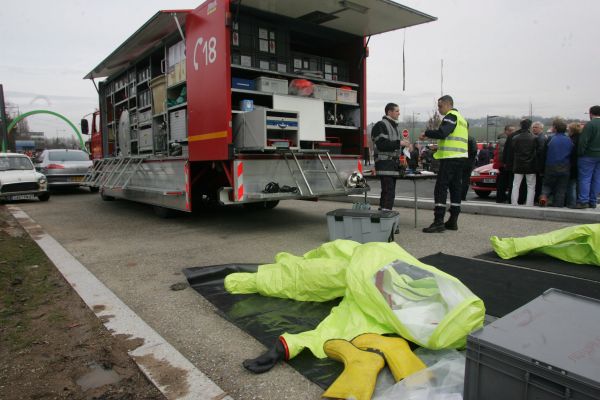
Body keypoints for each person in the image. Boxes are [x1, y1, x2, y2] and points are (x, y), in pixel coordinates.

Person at [419, 95, 468, 232]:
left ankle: (438, 221)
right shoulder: (462, 119)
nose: (439, 109)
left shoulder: (450, 116)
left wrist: (427, 133)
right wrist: (438, 147)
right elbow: (455, 139)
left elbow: (443, 132)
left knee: (441, 188)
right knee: (455, 188)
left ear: (447, 104)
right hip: (460, 157)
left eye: (440, 106)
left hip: (450, 158)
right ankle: (453, 221)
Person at [371, 103, 409, 210]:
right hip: (384, 164)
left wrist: (404, 153)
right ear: (389, 112)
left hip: (392, 165)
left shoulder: (395, 127)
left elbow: (396, 146)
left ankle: (383, 215)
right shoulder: (380, 125)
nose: (399, 113)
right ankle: (385, 217)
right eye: (397, 111)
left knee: (388, 193)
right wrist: (400, 143)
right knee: (388, 192)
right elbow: (381, 144)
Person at [538, 119, 573, 207]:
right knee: (561, 188)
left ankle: (544, 196)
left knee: (547, 184)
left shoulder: (550, 138)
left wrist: (541, 169)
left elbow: (543, 154)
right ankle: (558, 205)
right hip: (565, 166)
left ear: (555, 129)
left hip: (550, 166)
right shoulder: (569, 140)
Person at [576, 105, 600, 209]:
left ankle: (583, 201)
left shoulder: (590, 125)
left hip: (588, 155)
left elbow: (583, 141)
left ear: (591, 114)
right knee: (597, 179)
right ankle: (593, 201)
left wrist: (580, 153)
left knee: (585, 178)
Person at [511, 119, 537, 206]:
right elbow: (536, 151)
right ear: (529, 126)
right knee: (531, 186)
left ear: (521, 126)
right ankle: (529, 204)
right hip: (530, 165)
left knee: (516, 185)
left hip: (518, 164)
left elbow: (514, 150)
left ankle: (514, 202)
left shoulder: (515, 138)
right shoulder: (534, 138)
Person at [494, 125, 516, 203]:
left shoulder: (503, 139)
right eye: (511, 130)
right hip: (503, 165)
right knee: (503, 183)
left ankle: (501, 198)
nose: (513, 132)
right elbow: (502, 153)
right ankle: (502, 199)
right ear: (506, 131)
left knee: (501, 183)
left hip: (502, 164)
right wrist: (504, 163)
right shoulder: (505, 140)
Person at [566, 122, 582, 208]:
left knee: (571, 185)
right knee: (579, 184)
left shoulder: (570, 140)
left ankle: (571, 203)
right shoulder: (582, 138)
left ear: (571, 130)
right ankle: (579, 201)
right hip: (581, 163)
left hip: (572, 164)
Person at [532, 121, 547, 203]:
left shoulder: (540, 138)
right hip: (538, 165)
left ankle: (537, 199)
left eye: (536, 127)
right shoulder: (538, 137)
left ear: (541, 128)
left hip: (538, 166)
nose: (534, 129)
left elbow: (540, 153)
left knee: (538, 184)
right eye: (533, 127)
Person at [461, 135, 478, 200]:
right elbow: (474, 150)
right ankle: (462, 196)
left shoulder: (458, 137)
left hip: (458, 161)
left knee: (456, 180)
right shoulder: (471, 138)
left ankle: (455, 196)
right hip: (468, 162)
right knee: (465, 180)